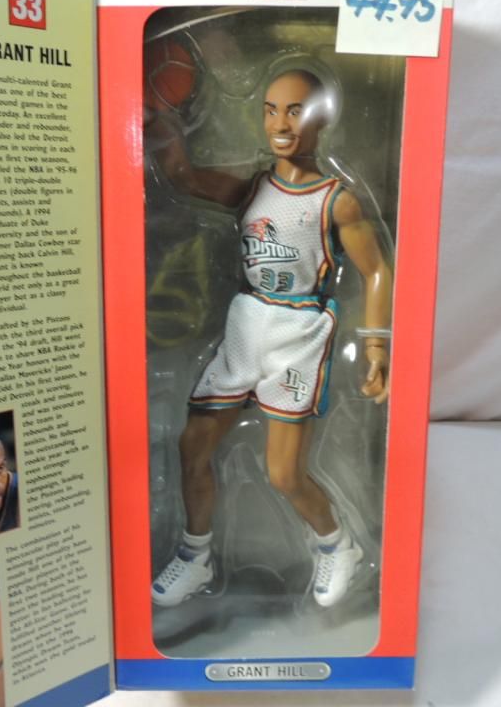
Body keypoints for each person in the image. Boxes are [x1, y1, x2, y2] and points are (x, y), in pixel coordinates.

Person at [148, 67, 393, 609]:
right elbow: (183, 177)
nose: (281, 123)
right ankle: (195, 554)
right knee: (192, 446)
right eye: (271, 110)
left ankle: (339, 545)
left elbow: (377, 270)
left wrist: (377, 347)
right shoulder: (254, 187)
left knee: (283, 473)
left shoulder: (336, 200)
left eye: (295, 111)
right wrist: (159, 121)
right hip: (247, 322)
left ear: (322, 119)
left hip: (298, 331)